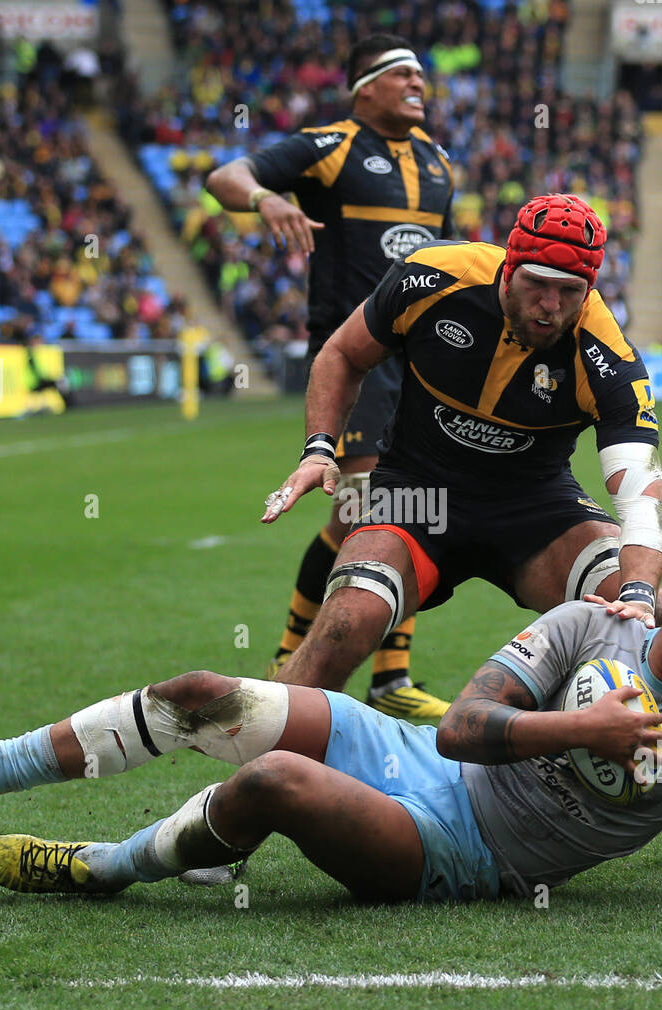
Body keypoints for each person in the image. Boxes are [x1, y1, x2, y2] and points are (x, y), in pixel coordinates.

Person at [0, 552, 662, 923]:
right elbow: (472, 729)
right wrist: (588, 727)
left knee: (279, 784)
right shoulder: (584, 628)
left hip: (467, 857)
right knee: (202, 690)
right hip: (420, 762)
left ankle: (106, 871)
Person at [261, 193, 662, 873]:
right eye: (535, 285)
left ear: (590, 289)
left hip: (533, 509)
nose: (548, 305)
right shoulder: (432, 276)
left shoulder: (608, 355)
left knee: (651, 617)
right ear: (508, 266)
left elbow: (644, 497)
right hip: (418, 495)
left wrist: (632, 588)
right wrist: (321, 448)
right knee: (345, 621)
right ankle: (234, 802)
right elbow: (341, 354)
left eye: (569, 292)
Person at [206, 33, 457, 723]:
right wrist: (264, 199)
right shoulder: (329, 145)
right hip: (356, 357)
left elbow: (450, 261)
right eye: (401, 73)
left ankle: (388, 678)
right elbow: (223, 176)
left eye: (420, 72)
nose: (418, 82)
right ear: (364, 88)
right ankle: (295, 661)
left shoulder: (438, 163)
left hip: (424, 360)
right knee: (372, 506)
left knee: (410, 509)